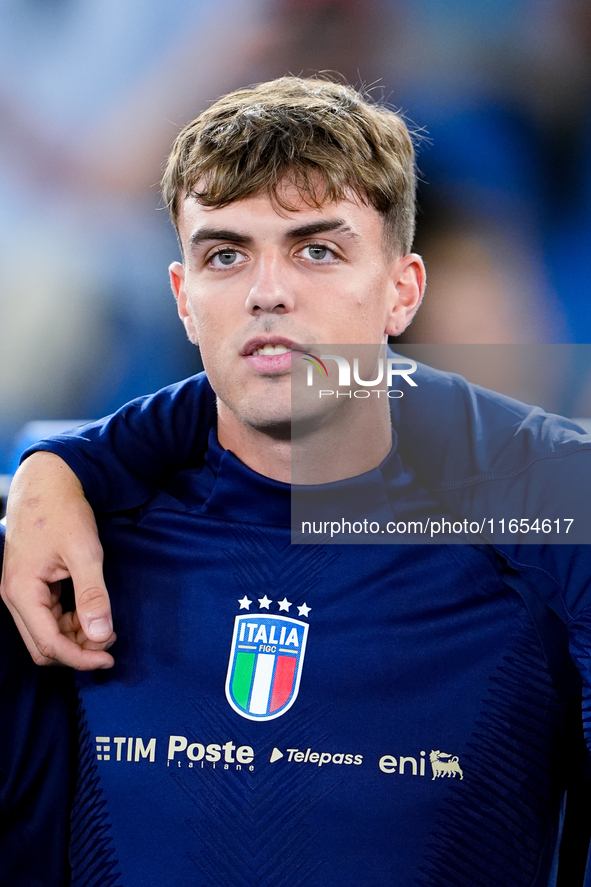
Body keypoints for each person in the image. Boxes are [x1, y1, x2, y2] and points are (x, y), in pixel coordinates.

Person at [2, 76, 591, 885]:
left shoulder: (542, 558)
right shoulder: (71, 556)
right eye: (224, 254)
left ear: (402, 291)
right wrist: (55, 467)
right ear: (182, 299)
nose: (267, 291)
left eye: (317, 249)